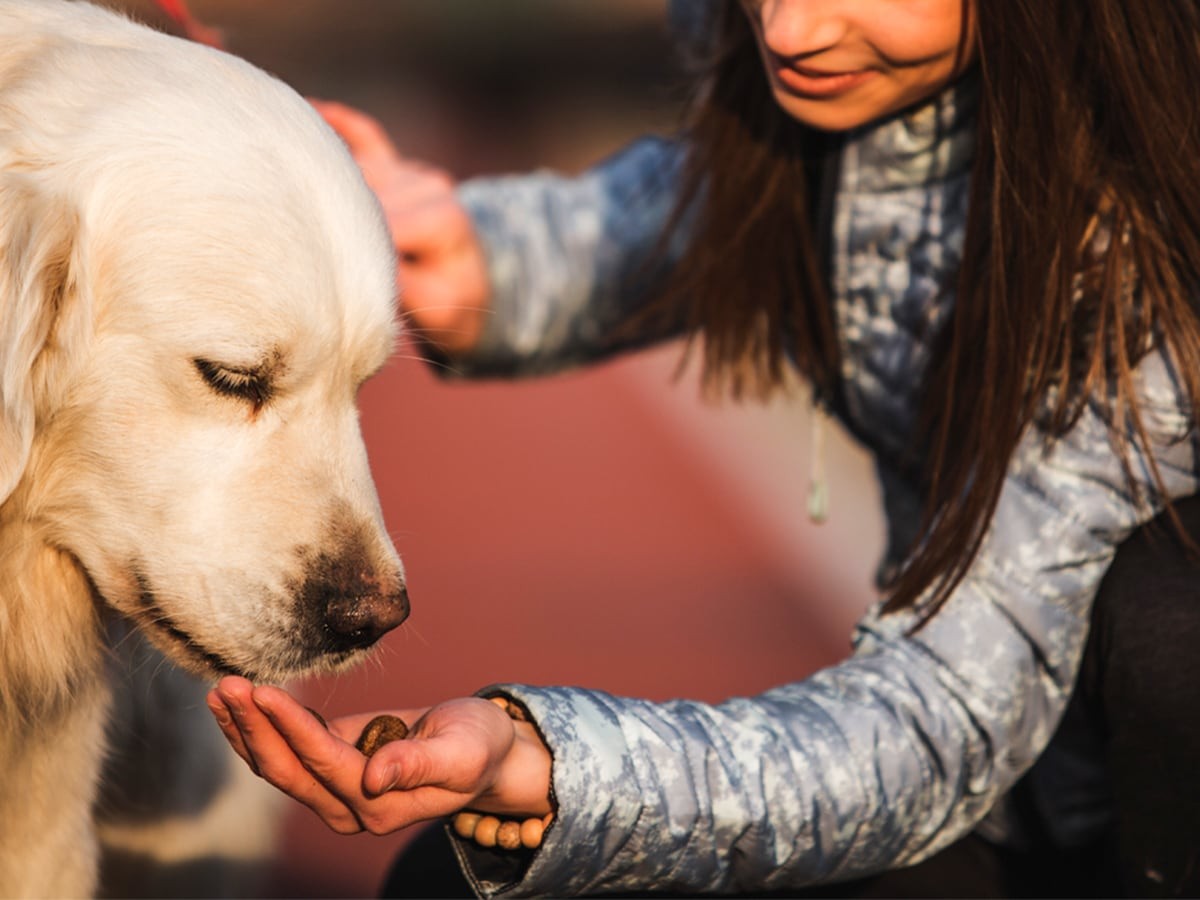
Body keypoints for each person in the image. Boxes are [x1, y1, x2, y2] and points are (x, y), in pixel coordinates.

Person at [206, 0, 1200, 896]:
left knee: (1168, 629)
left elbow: (938, 717)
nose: (789, 31)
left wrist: (547, 762)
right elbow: (684, 208)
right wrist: (469, 250)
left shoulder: (1124, 263)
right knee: (456, 880)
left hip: (1063, 788)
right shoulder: (853, 100)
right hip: (997, 783)